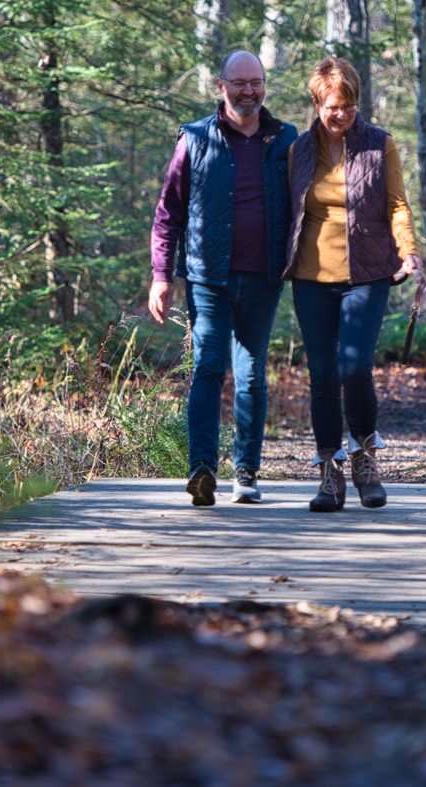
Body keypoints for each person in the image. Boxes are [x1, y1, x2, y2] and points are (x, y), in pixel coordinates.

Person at [150, 50, 298, 507]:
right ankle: (202, 470)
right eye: (239, 83)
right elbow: (167, 213)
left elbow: (311, 204)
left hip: (264, 278)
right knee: (208, 368)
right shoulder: (194, 138)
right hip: (206, 279)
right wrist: (161, 275)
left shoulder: (285, 139)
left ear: (264, 85)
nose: (249, 91)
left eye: (256, 82)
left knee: (252, 376)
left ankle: (247, 473)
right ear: (221, 86)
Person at [284, 57, 422, 513]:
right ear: (317, 104)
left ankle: (366, 461)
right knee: (322, 375)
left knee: (354, 366)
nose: (338, 114)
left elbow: (397, 203)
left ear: (356, 103)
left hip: (367, 272)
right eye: (329, 106)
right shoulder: (299, 151)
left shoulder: (380, 144)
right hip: (310, 276)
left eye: (346, 105)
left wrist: (407, 249)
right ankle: (330, 472)